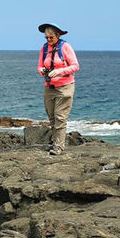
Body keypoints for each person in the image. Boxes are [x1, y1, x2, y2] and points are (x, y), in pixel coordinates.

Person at [36, 23, 79, 155]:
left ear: (57, 36)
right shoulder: (44, 48)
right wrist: (42, 70)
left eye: (51, 37)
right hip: (49, 87)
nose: (49, 40)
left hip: (65, 87)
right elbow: (39, 66)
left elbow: (75, 66)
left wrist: (59, 71)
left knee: (60, 117)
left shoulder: (65, 47)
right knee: (52, 117)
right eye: (46, 38)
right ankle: (55, 143)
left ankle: (59, 147)